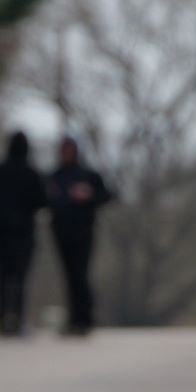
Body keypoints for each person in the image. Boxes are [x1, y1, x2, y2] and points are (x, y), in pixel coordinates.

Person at [0, 131, 48, 337]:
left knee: (2, 278)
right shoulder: (32, 174)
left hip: (0, 234)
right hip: (23, 234)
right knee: (20, 279)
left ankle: (2, 319)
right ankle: (18, 319)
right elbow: (42, 201)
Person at [47, 135, 115, 337]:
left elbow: (107, 196)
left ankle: (85, 319)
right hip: (61, 232)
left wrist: (88, 195)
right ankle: (73, 320)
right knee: (69, 276)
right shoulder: (56, 176)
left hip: (83, 232)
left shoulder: (88, 175)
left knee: (81, 275)